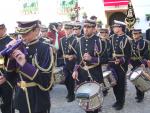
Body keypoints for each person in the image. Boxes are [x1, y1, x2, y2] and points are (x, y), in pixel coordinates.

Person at [6, 20, 54, 113]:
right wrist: (11, 59)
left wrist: (24, 64)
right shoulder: (18, 48)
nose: (22, 36)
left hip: (38, 98)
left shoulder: (45, 49)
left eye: (26, 33)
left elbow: (46, 81)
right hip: (21, 98)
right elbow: (10, 78)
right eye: (21, 33)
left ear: (36, 31)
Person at [72, 20, 108, 113]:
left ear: (94, 29)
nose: (86, 29)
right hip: (82, 75)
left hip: (95, 74)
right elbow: (78, 59)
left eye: (88, 27)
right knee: (85, 101)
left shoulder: (100, 41)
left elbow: (105, 59)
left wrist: (92, 59)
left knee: (95, 102)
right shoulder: (79, 41)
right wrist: (75, 70)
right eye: (84, 27)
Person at [109, 20, 131, 110]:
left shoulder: (127, 39)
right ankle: (117, 100)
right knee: (114, 83)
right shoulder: (112, 37)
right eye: (113, 27)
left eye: (115, 27)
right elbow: (110, 51)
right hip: (113, 64)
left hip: (122, 66)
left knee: (121, 85)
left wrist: (121, 60)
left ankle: (121, 102)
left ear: (120, 28)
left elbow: (128, 54)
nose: (113, 28)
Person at [57, 23, 77, 102]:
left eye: (68, 29)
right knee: (65, 80)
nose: (67, 31)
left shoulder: (75, 40)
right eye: (66, 29)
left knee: (71, 80)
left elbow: (78, 53)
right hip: (65, 63)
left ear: (72, 30)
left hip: (73, 63)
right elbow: (60, 52)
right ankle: (69, 92)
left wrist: (73, 56)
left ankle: (72, 95)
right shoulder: (62, 40)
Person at [130, 29, 149, 103]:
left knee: (140, 79)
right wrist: (129, 62)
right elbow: (129, 53)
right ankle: (138, 94)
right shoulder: (131, 42)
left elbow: (146, 54)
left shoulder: (144, 42)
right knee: (135, 80)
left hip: (140, 63)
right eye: (133, 34)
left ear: (140, 34)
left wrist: (144, 63)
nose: (134, 35)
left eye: (136, 33)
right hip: (133, 63)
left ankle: (141, 95)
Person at [0, 23, 15, 113]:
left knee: (7, 106)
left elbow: (14, 63)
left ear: (5, 29)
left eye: (1, 29)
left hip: (6, 79)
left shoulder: (11, 41)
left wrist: (5, 77)